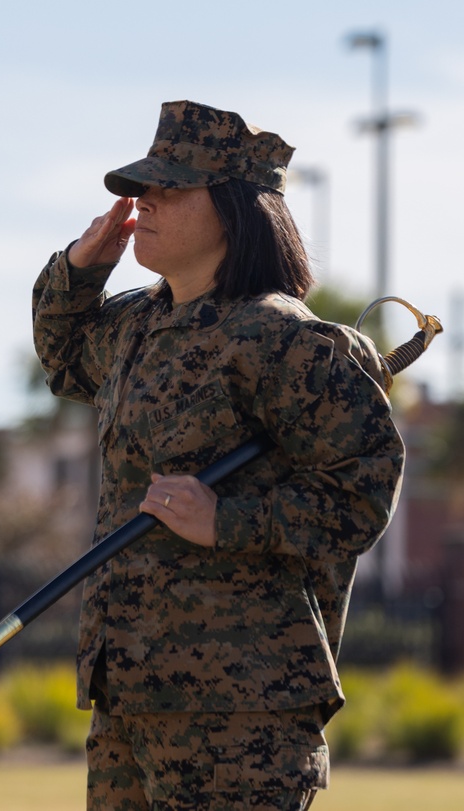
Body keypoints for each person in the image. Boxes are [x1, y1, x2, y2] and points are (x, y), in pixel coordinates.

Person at [32, 100, 403, 810]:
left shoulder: (279, 337)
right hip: (130, 696)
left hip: (240, 710)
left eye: (170, 188)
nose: (143, 201)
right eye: (144, 187)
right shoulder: (140, 325)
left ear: (233, 209)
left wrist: (227, 520)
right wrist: (80, 271)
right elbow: (66, 359)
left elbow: (364, 486)